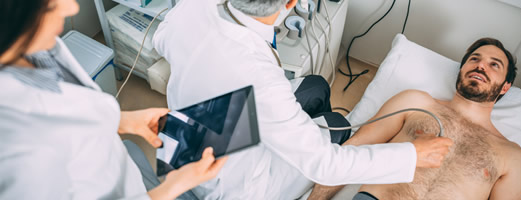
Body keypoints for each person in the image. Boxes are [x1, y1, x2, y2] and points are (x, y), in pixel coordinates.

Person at [152, 0, 453, 199]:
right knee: (337, 124)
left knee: (316, 87)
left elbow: (161, 39)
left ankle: (298, 136)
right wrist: (412, 155)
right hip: (227, 184)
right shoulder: (259, 76)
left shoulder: (194, 6)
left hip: (189, 136)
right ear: (290, 4)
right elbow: (326, 166)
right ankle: (299, 145)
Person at [0, 0, 227, 199]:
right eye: (50, 5)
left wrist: (122, 120)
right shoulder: (18, 153)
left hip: (117, 168)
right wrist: (174, 187)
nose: (72, 7)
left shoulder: (33, 45)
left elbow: (71, 109)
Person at [308, 38, 521, 200]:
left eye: (494, 65)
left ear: (505, 86)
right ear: (462, 69)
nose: (481, 65)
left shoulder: (513, 157)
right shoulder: (416, 103)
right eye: (475, 59)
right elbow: (353, 151)